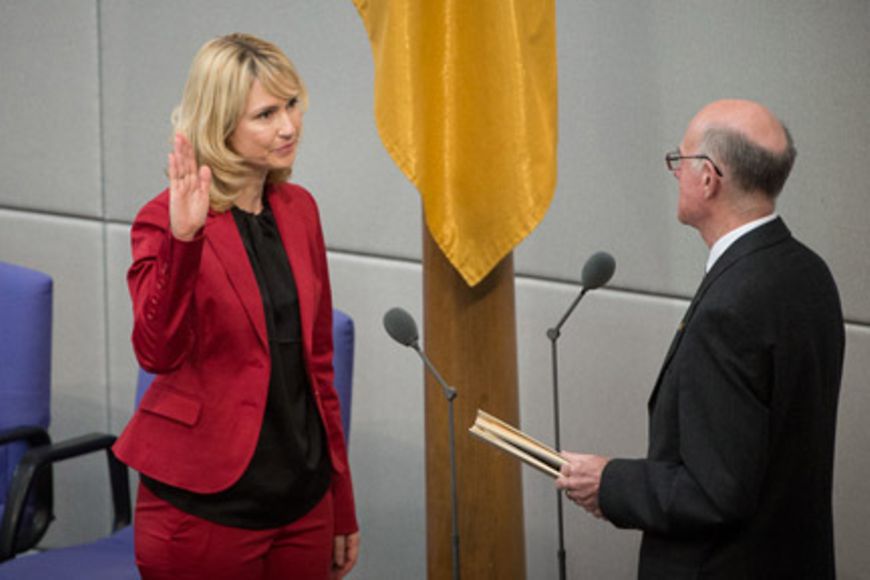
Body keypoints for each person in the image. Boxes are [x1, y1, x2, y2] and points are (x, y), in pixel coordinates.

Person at [556, 99, 844, 579]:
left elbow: (716, 492)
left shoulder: (731, 306)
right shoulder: (810, 273)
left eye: (680, 160)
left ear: (708, 178)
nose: (675, 173)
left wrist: (609, 483)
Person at [113, 33, 359, 579]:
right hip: (205, 508)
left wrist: (341, 498)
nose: (289, 126)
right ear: (221, 124)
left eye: (291, 104)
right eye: (265, 114)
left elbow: (317, 365)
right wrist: (184, 241)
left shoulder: (300, 211)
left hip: (303, 501)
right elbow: (156, 350)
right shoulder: (165, 217)